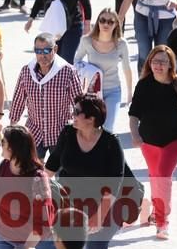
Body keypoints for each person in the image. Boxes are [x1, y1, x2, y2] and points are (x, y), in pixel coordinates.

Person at [46, 96, 125, 248]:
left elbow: (115, 183)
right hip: (69, 205)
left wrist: (99, 215)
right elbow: (53, 162)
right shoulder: (68, 133)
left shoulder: (111, 143)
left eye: (77, 111)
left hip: (103, 206)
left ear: (91, 118)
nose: (72, 115)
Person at [128, 46, 177, 240]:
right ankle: (156, 209)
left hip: (175, 140)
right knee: (155, 175)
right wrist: (135, 135)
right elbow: (134, 114)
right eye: (155, 61)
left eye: (163, 61)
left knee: (163, 176)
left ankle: (162, 221)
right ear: (149, 63)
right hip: (148, 141)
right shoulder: (144, 85)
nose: (158, 65)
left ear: (170, 64)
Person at [10, 33, 82, 159]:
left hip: (60, 132)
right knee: (33, 175)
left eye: (46, 50)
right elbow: (18, 99)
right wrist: (12, 128)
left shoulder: (68, 71)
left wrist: (82, 130)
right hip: (34, 133)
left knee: (61, 175)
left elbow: (79, 103)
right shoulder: (27, 71)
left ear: (55, 49)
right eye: (38, 51)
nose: (42, 55)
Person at [0, 125, 55, 249]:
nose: (0, 144)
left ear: (14, 148)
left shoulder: (38, 179)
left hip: (33, 241)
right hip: (2, 237)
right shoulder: (4, 165)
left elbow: (42, 222)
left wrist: (26, 247)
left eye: (3, 142)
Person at [75, 8, 133, 131]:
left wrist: (129, 94)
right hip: (92, 92)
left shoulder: (121, 44)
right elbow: (76, 61)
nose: (106, 24)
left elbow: (127, 69)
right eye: (102, 20)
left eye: (110, 22)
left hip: (113, 91)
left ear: (116, 24)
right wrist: (89, 70)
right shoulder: (87, 41)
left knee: (107, 128)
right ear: (98, 22)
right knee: (90, 128)